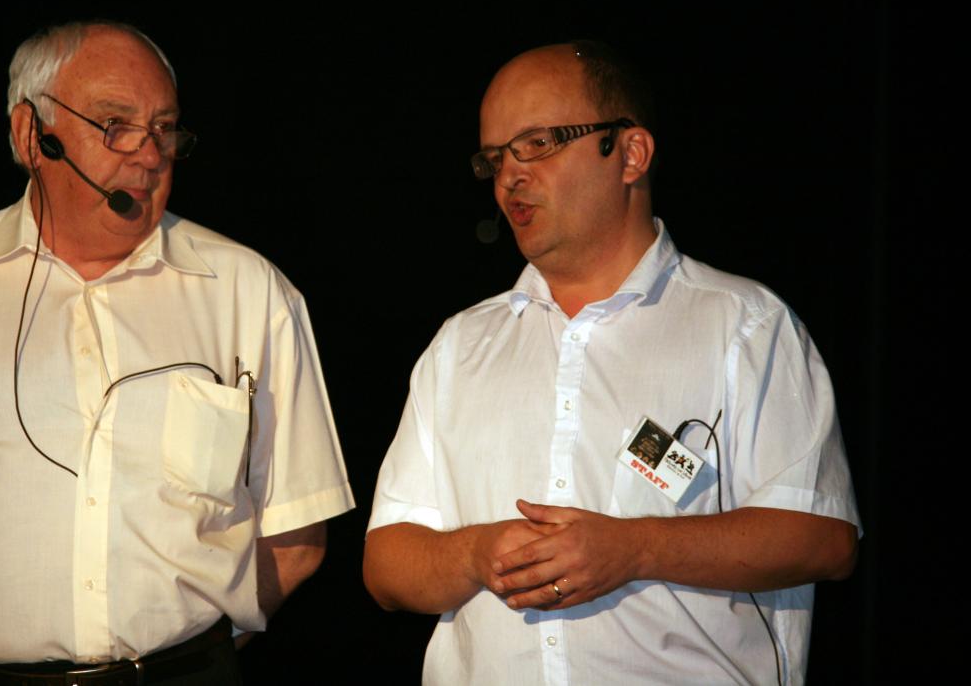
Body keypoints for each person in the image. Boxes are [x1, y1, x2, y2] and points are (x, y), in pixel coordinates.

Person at [0, 20, 354, 684]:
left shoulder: (249, 290)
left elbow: (297, 536)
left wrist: (192, 655)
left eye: (164, 128)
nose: (149, 155)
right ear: (31, 135)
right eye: (115, 125)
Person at [362, 42, 858, 685]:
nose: (510, 176)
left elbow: (822, 537)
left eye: (537, 143)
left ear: (630, 154)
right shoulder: (462, 345)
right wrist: (476, 553)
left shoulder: (745, 326)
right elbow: (387, 563)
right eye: (495, 157)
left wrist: (634, 548)